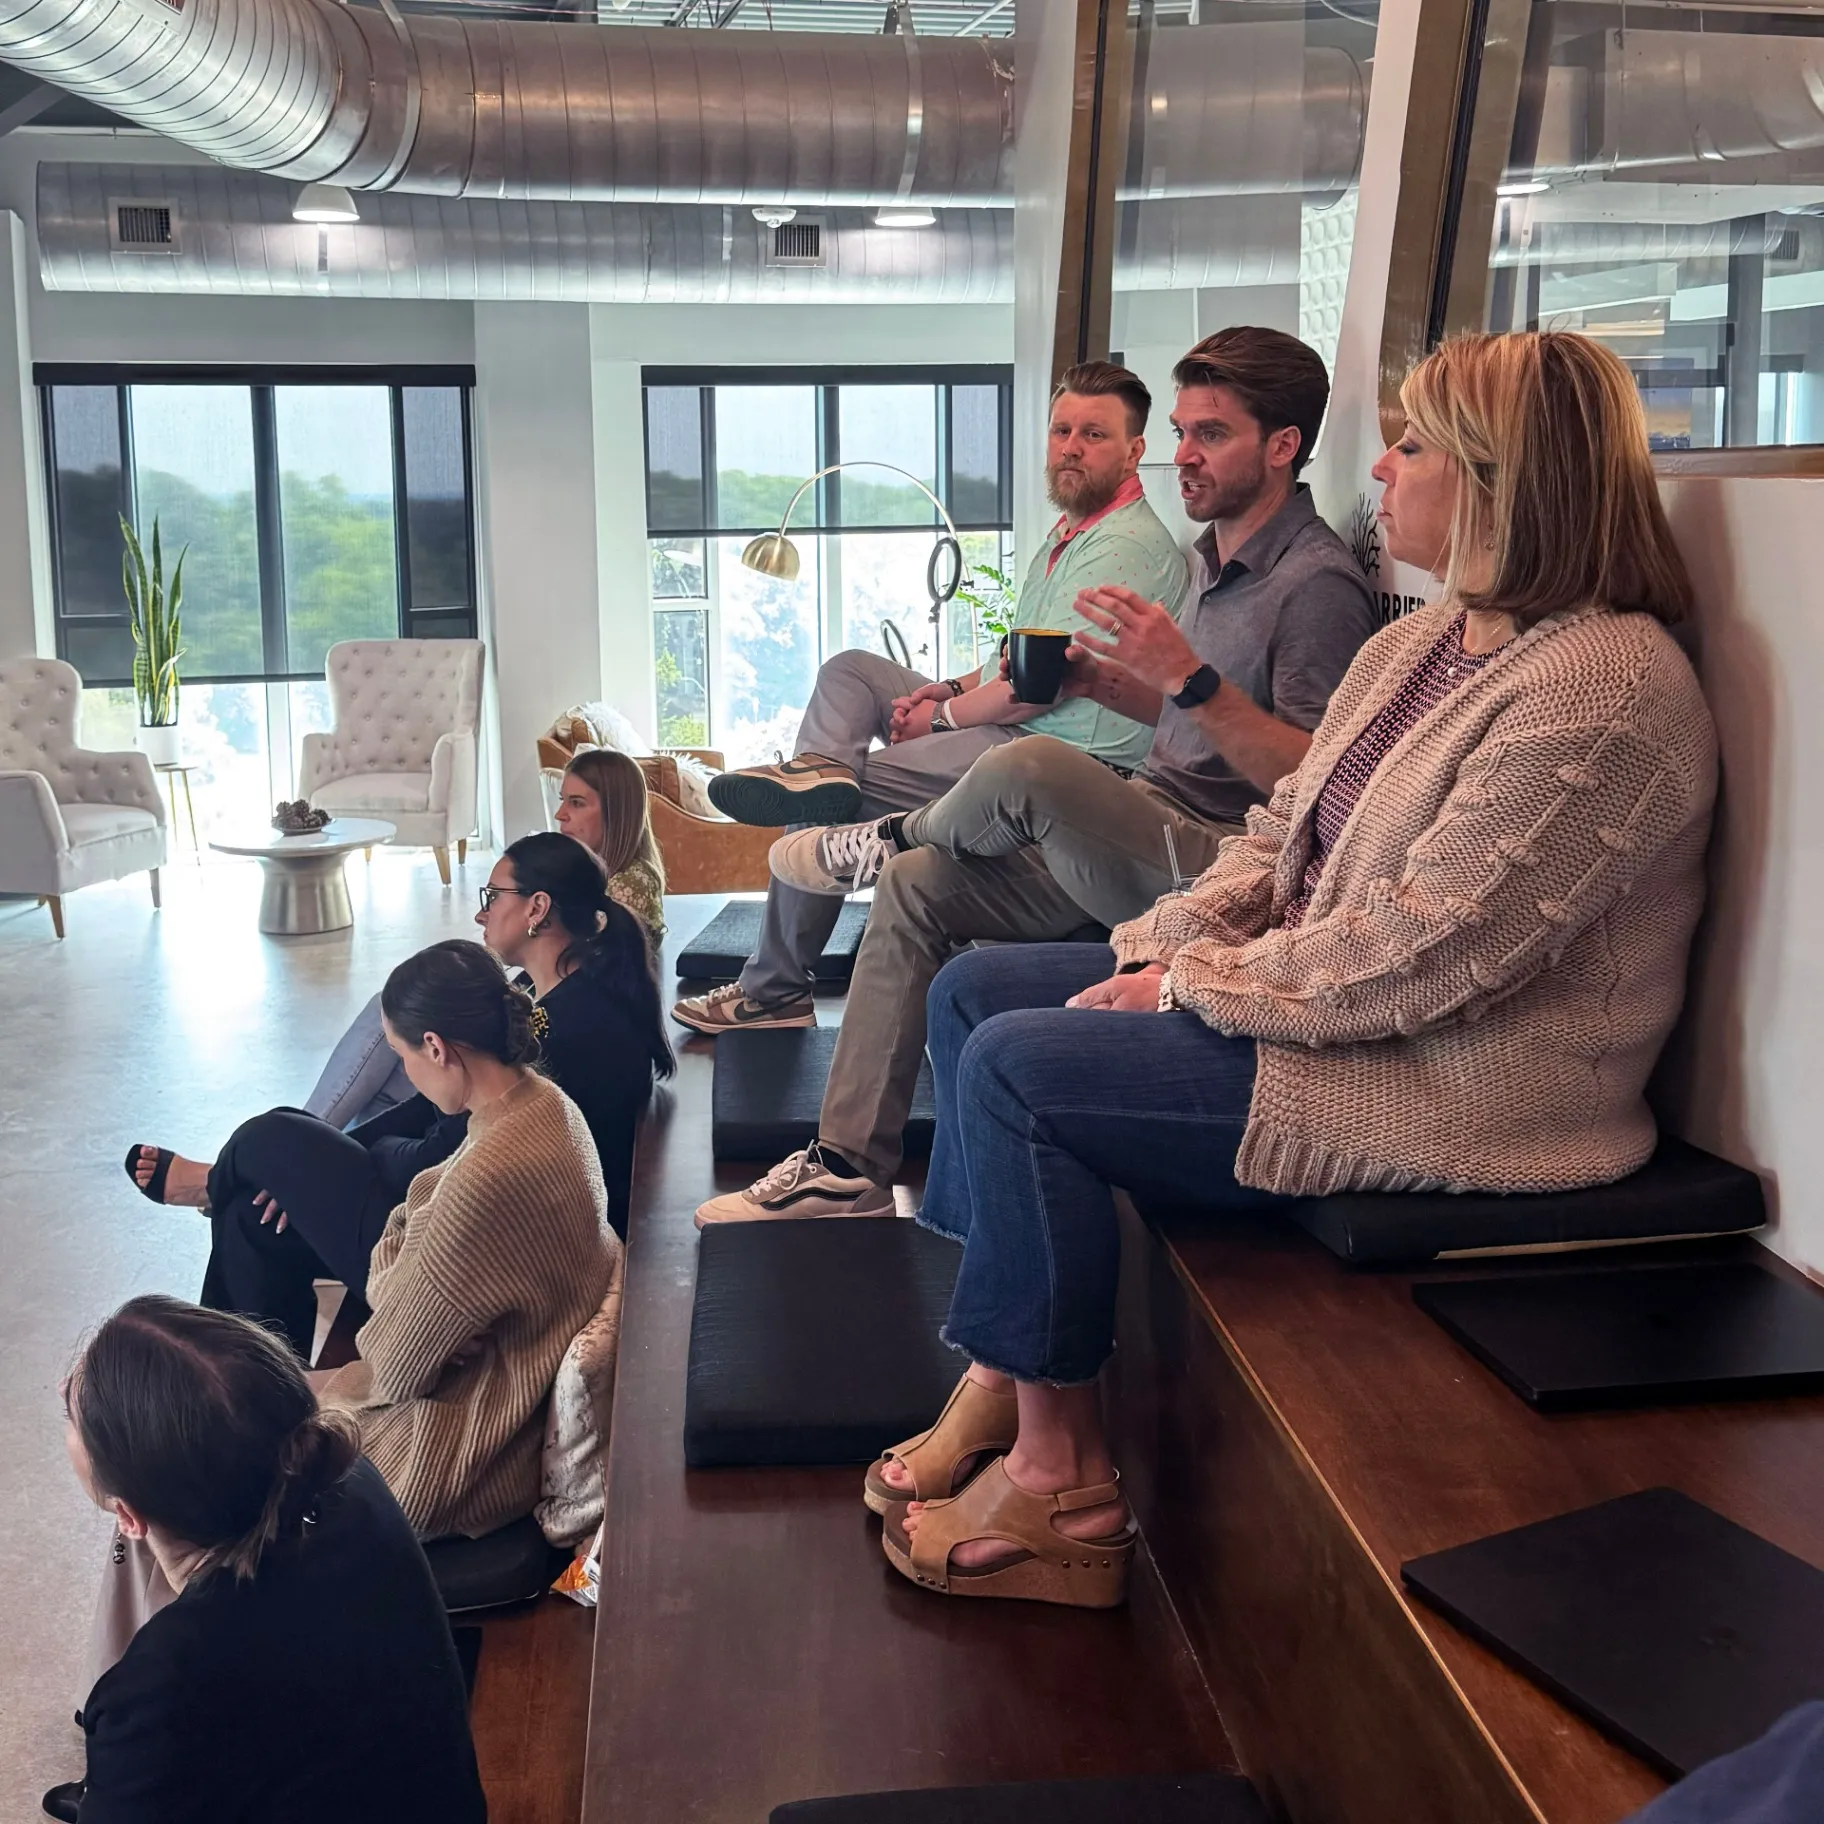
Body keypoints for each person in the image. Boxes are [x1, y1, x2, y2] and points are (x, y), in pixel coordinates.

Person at [862, 329, 1718, 1610]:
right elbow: (1279, 838)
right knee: (975, 991)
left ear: (1503, 479)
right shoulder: (1427, 642)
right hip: (1341, 1010)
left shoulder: (1604, 687)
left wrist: (1188, 989)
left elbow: (1430, 950)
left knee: (1020, 1068)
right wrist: (1165, 945)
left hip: (1458, 1078)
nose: (1380, 470)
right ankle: (1007, 1365)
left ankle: (1063, 1489)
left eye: (1413, 445)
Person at [698, 325, 1376, 1225]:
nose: (1185, 458)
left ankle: (882, 830)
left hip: (1222, 866)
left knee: (1030, 762)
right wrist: (1118, 685)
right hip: (1144, 820)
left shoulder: (1314, 584)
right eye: (1181, 433)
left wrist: (1185, 678)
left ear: (1283, 446)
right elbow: (1192, 722)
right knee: (914, 888)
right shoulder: (1218, 566)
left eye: (1208, 435)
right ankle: (847, 1165)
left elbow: (1320, 782)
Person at [671, 359, 1190, 1036]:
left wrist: (938, 717)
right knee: (851, 671)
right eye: (1062, 429)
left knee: (843, 802)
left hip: (1058, 758)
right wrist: (943, 688)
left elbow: (1035, 690)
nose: (1070, 446)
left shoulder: (1122, 547)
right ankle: (821, 771)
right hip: (1018, 731)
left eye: (1093, 434)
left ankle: (774, 989)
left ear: (1134, 451)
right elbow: (1012, 659)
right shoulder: (1069, 536)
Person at [128, 940, 618, 1537]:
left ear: (436, 1047)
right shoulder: (547, 1105)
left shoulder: (487, 1173)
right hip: (494, 1398)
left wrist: (403, 1270)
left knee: (188, 1475)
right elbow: (412, 1225)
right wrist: (410, 1265)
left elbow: (395, 1360)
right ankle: (217, 1381)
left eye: (400, 1055)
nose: (406, 1075)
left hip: (451, 1450)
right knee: (244, 1282)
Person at [128, 837, 662, 1358]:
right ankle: (242, 1393)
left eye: (493, 895)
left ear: (537, 907)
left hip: (472, 1259)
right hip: (460, 1218)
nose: (481, 914)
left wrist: (339, 1164)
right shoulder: (551, 992)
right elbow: (426, 1113)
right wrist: (311, 1170)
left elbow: (436, 1159)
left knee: (268, 1139)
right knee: (253, 1215)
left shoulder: (567, 1030)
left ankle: (214, 1188)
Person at [46, 1295, 485, 1824]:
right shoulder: (348, 1480)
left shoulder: (164, 1687)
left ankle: (118, 1788)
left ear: (130, 1517)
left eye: (70, 1412)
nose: (61, 1391)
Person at [308, 744, 665, 1128]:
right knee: (385, 1066)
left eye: (493, 898)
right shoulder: (561, 977)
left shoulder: (565, 1015)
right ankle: (310, 1140)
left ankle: (308, 1140)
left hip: (481, 1155)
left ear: (539, 908)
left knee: (391, 1025)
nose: (561, 814)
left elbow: (453, 1139)